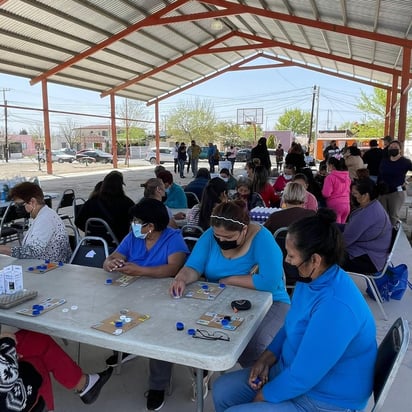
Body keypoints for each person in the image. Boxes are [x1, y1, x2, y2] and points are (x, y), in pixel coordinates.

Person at [213, 209, 377, 412]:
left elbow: (304, 375)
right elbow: (290, 324)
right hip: (291, 372)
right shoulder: (310, 279)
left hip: (325, 399)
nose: (287, 261)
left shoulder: (336, 307)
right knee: (222, 389)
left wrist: (264, 396)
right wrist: (267, 357)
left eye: (291, 255)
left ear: (315, 260)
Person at [171, 200, 290, 370]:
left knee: (254, 344)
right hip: (222, 299)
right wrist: (181, 278)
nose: (221, 241)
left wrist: (229, 280)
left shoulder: (262, 238)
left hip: (272, 301)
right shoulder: (209, 236)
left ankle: (258, 381)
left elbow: (269, 281)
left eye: (228, 237)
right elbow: (194, 267)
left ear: (244, 230)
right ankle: (205, 371)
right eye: (218, 236)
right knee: (195, 333)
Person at [103, 198, 189, 411]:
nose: (133, 224)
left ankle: (158, 385)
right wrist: (110, 262)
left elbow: (173, 269)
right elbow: (114, 256)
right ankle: (125, 347)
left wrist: (141, 271)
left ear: (151, 226)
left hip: (163, 296)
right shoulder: (134, 236)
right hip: (132, 291)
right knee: (110, 308)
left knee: (160, 335)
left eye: (137, 221)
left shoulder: (173, 239)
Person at [0, 329, 112, 412]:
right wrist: (6, 344)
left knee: (35, 339)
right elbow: (6, 377)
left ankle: (83, 383)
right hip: (9, 400)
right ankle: (83, 384)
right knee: (36, 362)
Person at [0, 182, 71, 262]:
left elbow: (33, 252)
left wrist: (2, 249)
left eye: (19, 205)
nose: (16, 208)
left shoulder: (45, 218)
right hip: (43, 265)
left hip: (52, 268)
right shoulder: (40, 215)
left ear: (33, 202)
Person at [342, 179, 392, 273]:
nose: (352, 196)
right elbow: (350, 228)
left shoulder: (367, 214)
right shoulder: (373, 206)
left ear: (365, 196)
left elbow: (344, 241)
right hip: (374, 255)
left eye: (355, 194)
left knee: (324, 258)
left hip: (369, 260)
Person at [75, 170, 135, 243]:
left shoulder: (92, 202)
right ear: (120, 186)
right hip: (120, 243)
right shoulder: (127, 203)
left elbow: (78, 222)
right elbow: (136, 222)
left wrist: (93, 232)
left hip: (94, 241)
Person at [378, 139, 412, 224]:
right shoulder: (384, 161)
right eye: (391, 147)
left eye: (395, 147)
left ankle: (393, 235)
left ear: (400, 149)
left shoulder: (405, 162)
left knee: (393, 216)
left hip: (397, 192)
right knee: (382, 215)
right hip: (383, 192)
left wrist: (407, 182)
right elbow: (380, 174)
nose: (392, 148)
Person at [322, 156, 351, 223]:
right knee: (342, 228)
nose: (327, 167)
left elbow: (326, 194)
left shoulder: (330, 177)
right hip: (347, 204)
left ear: (331, 165)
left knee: (336, 228)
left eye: (327, 165)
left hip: (335, 206)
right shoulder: (347, 176)